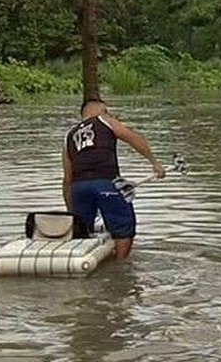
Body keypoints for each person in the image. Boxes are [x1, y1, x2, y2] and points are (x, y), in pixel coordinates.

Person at [63, 98, 166, 261]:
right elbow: (133, 138)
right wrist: (155, 163)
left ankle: (80, 261)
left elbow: (67, 178)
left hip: (79, 187)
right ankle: (120, 267)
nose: (109, 113)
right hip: (106, 183)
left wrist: (72, 211)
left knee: (82, 231)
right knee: (124, 227)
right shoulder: (105, 120)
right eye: (106, 110)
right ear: (98, 111)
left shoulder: (69, 135)